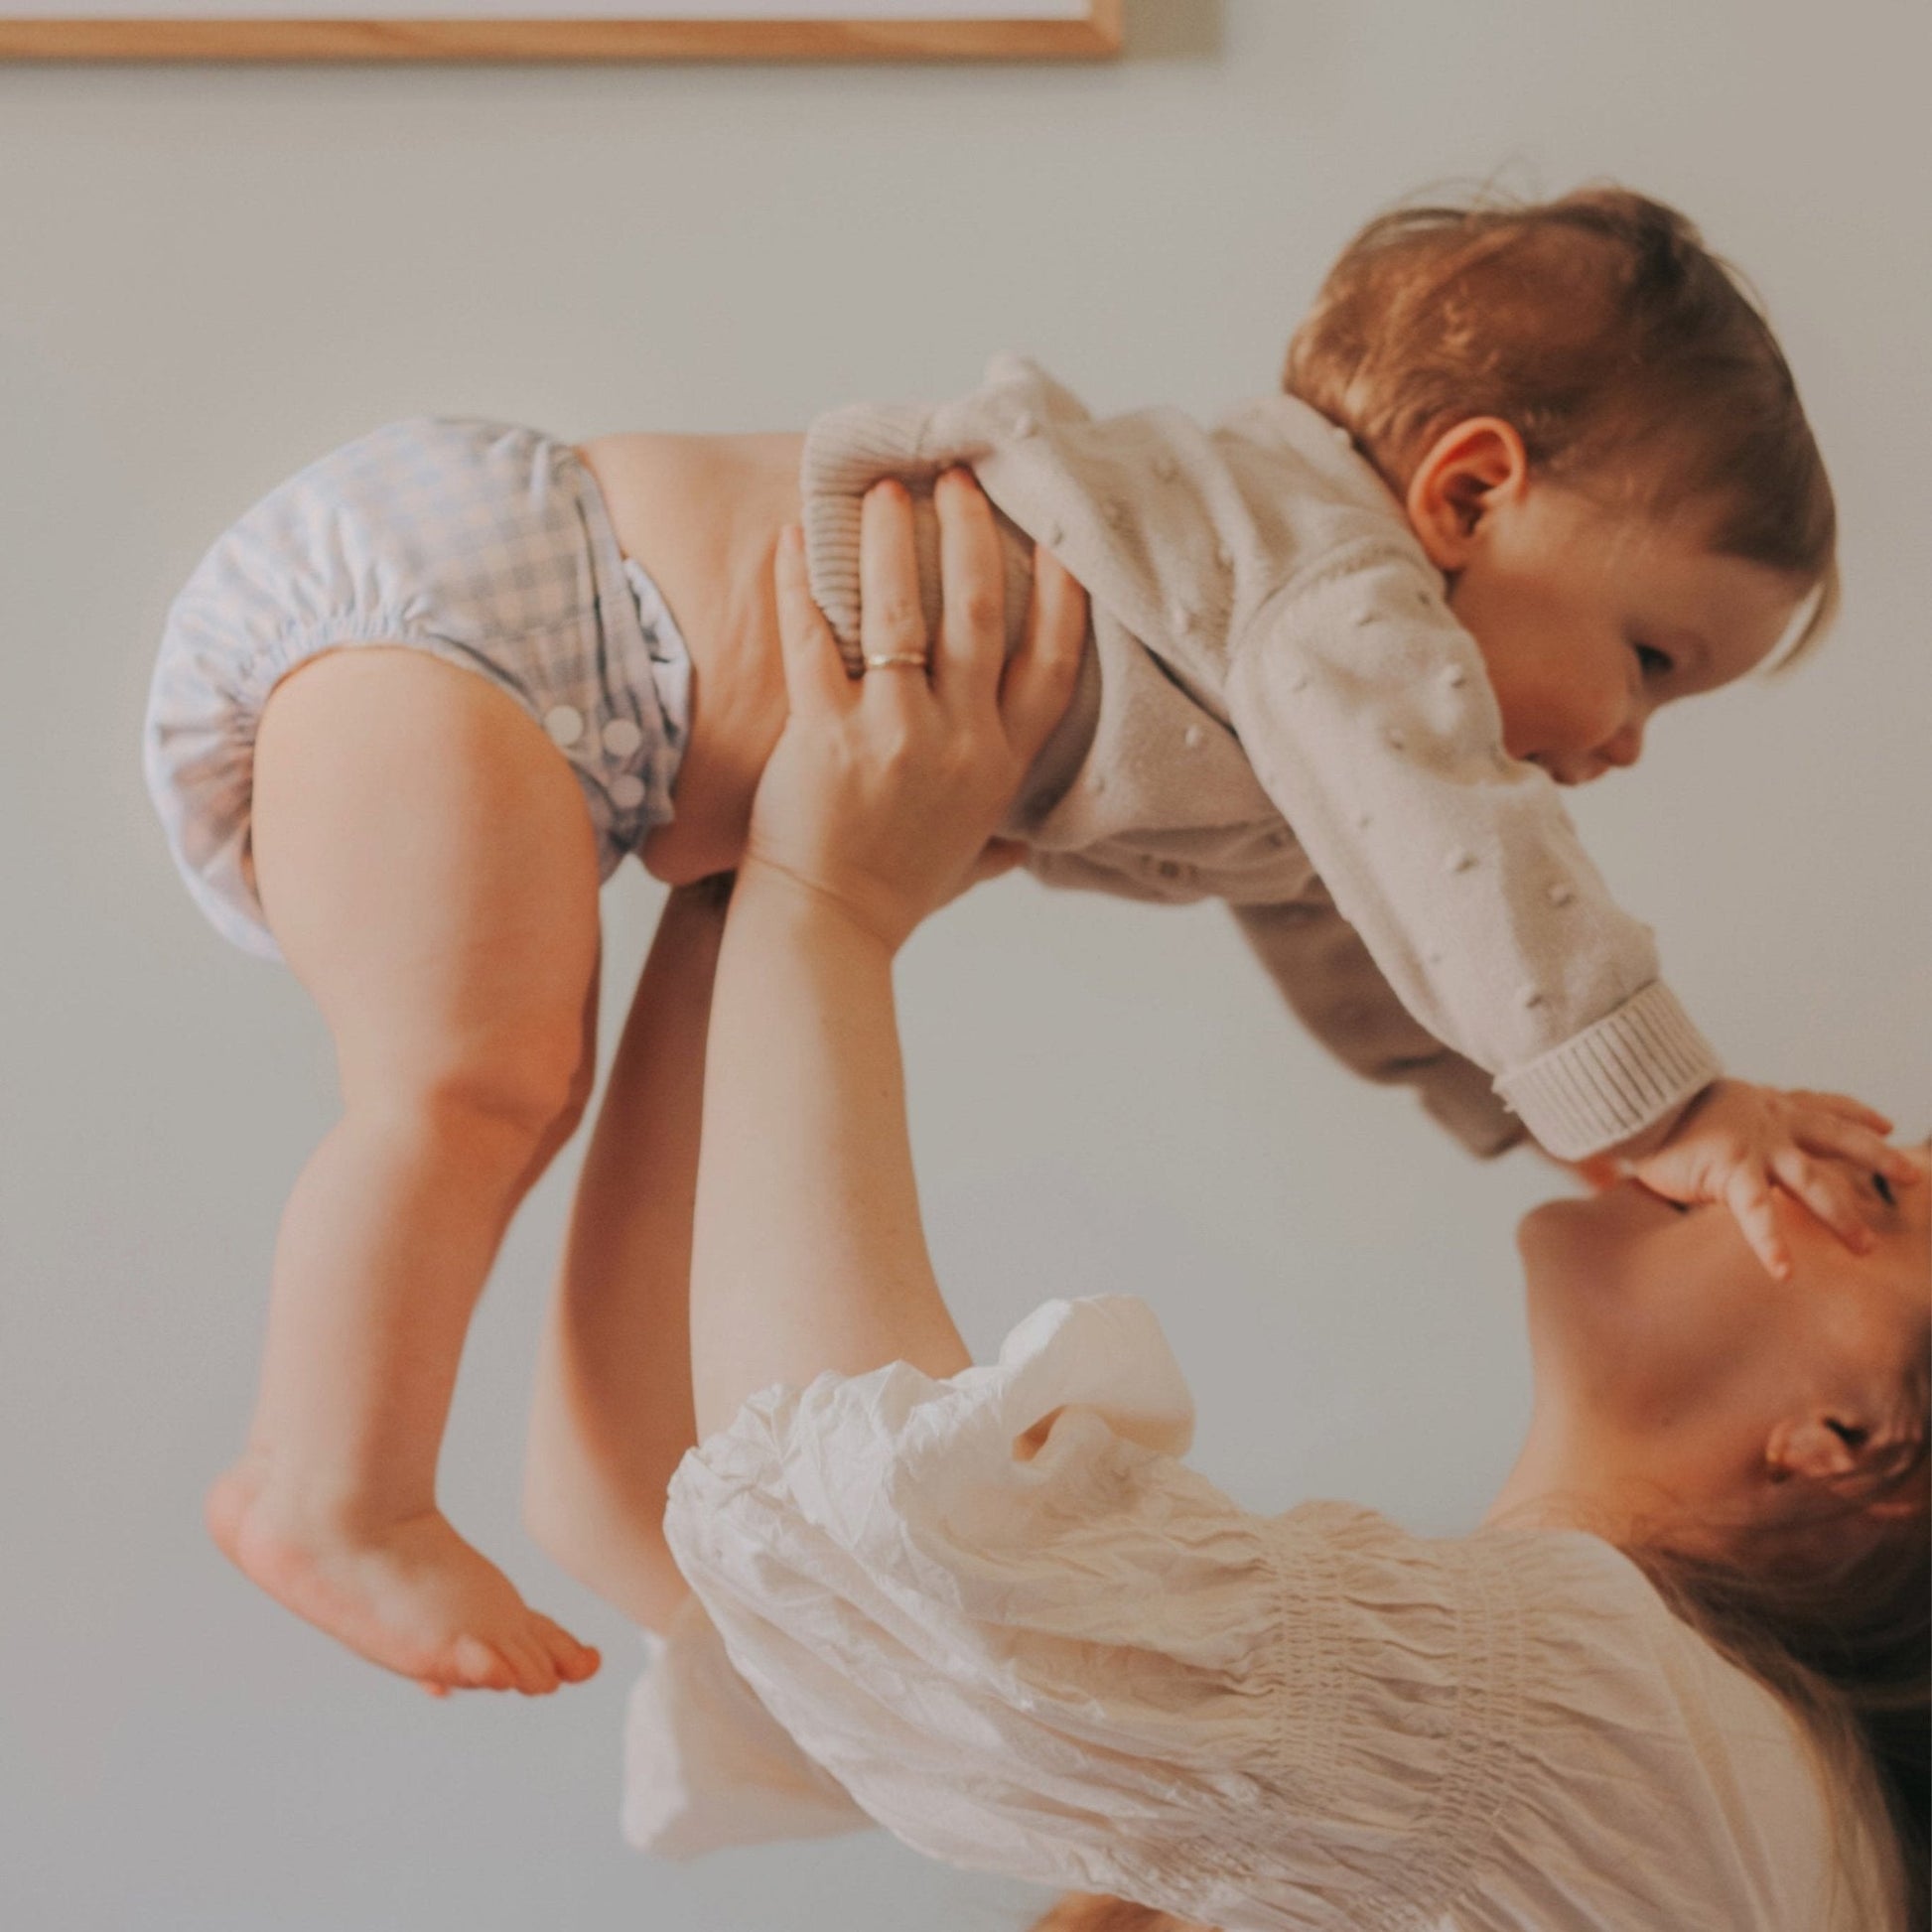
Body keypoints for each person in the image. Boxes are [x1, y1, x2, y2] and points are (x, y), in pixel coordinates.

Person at [146, 184, 1912, 1696]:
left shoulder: (1278, 682)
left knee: (504, 1091)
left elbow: (1376, 928)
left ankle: (449, 1505)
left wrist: (1553, 1115)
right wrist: (1675, 1099)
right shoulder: (1330, 578)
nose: (1624, 743)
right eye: (1649, 660)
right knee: (474, 1086)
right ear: (1465, 493)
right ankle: (324, 1490)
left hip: (550, 695)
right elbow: (1469, 857)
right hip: (512, 611)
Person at [523, 474, 1931, 1930]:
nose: (1796, 1143)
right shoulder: (1648, 1757)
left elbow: (914, 1577)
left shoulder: (1624, 1738)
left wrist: (827, 897)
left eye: (1880, 1191)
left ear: (1848, 1443)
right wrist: (758, 875)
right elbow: (655, 1521)